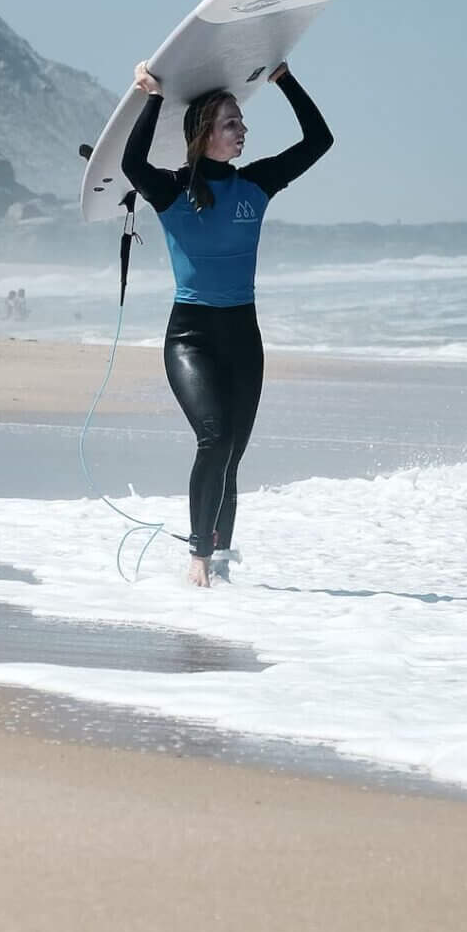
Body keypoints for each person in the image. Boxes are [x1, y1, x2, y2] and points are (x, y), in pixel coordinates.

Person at [122, 59, 332, 587]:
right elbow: (130, 162)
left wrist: (284, 78)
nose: (243, 130)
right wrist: (151, 97)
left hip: (243, 335)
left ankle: (218, 564)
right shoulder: (171, 190)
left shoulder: (257, 183)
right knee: (213, 439)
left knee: (232, 455)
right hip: (191, 336)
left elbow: (319, 140)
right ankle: (197, 556)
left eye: (241, 121)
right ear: (204, 135)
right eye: (231, 123)